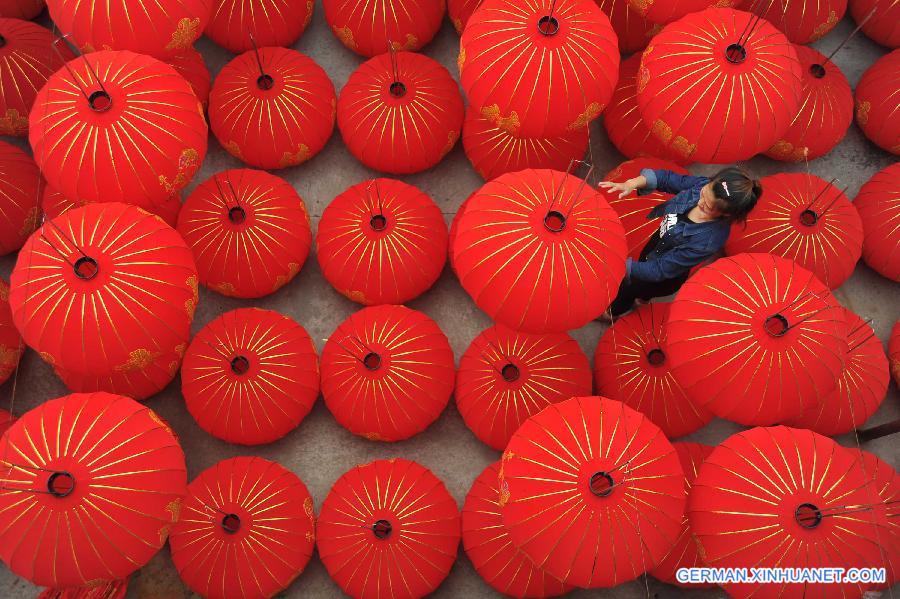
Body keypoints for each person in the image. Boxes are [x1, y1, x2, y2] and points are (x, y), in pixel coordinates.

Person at [597, 166, 762, 320]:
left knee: (628, 289)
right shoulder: (702, 185)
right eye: (704, 193)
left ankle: (611, 312)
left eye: (708, 207)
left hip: (664, 276)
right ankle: (643, 299)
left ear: (726, 214)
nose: (699, 202)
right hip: (656, 249)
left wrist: (618, 265)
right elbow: (667, 179)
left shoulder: (707, 241)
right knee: (642, 273)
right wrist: (632, 183)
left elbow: (659, 270)